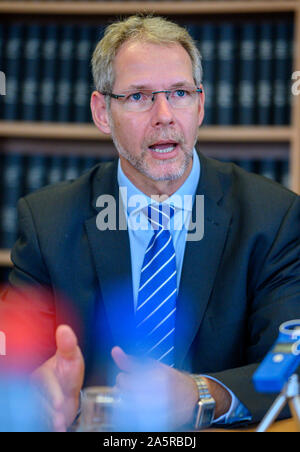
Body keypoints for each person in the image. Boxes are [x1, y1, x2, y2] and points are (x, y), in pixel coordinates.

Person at [1, 15, 300, 432]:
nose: (164, 115)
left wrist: (202, 393)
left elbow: (288, 365)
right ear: (102, 112)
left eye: (179, 92)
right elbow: (16, 365)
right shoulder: (48, 222)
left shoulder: (273, 217)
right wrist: (35, 390)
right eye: (139, 97)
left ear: (200, 105)